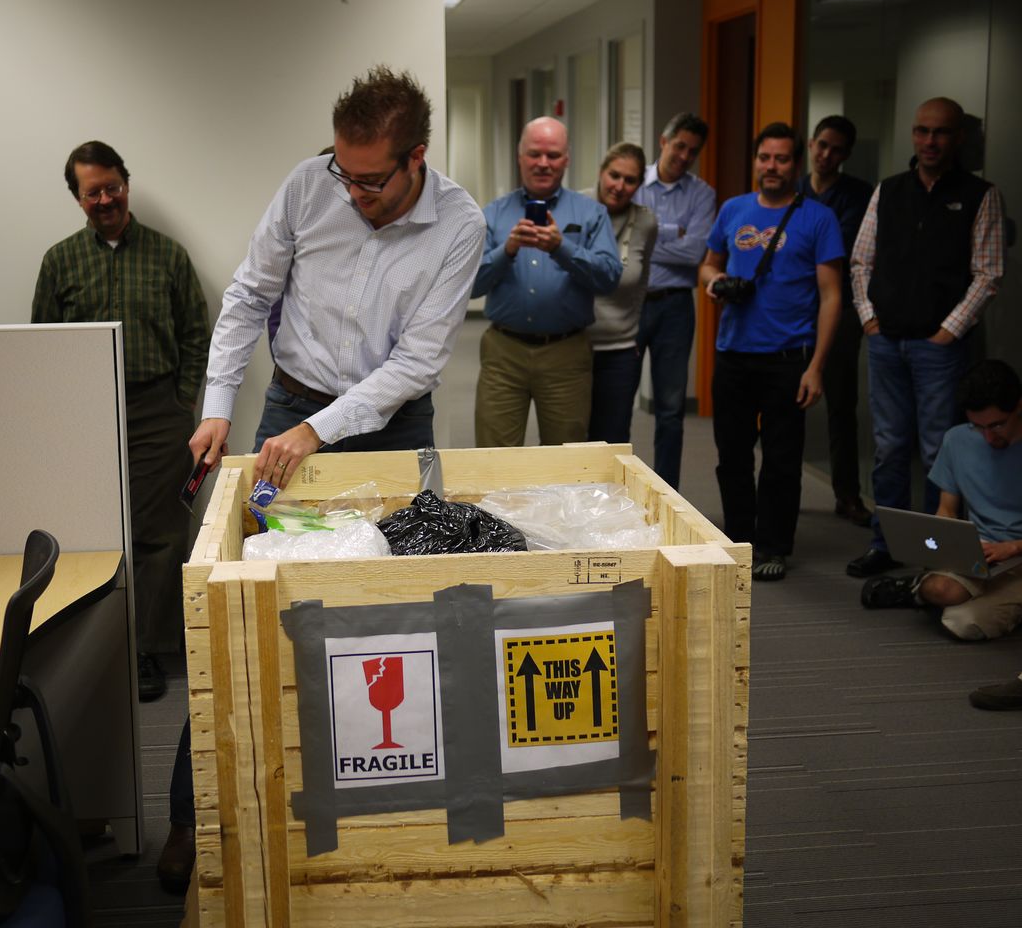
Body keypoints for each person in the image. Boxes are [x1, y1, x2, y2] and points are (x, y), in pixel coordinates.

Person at [189, 65, 486, 489]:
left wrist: (317, 431)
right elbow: (251, 295)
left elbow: (417, 361)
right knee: (268, 543)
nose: (352, 192)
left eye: (370, 180)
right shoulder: (307, 185)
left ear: (415, 158)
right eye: (343, 172)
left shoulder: (460, 225)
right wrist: (218, 404)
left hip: (396, 421)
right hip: (292, 406)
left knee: (403, 549)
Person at [32, 141, 209, 706]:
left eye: (113, 187)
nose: (105, 199)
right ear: (77, 197)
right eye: (93, 192)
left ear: (126, 184)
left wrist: (183, 405)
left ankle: (150, 651)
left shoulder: (168, 255)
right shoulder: (60, 260)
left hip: (158, 411)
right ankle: (94, 648)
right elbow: (43, 342)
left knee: (159, 534)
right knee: (94, 532)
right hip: (87, 412)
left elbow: (195, 334)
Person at [847, 97, 1005, 578]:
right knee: (890, 447)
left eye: (939, 132)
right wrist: (870, 319)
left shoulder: (980, 194)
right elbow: (861, 261)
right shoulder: (889, 191)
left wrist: (946, 333)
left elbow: (988, 274)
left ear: (957, 138)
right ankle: (887, 544)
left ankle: (935, 555)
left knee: (938, 450)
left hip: (939, 348)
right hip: (886, 341)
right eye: (921, 131)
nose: (929, 141)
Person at [700, 123, 843, 582]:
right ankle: (740, 539)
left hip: (788, 360)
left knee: (782, 459)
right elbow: (708, 264)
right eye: (765, 158)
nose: (772, 167)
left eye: (781, 159)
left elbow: (832, 295)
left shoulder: (818, 218)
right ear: (756, 160)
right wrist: (714, 284)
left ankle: (775, 545)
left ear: (795, 165)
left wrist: (816, 367)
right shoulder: (733, 209)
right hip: (734, 355)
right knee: (732, 455)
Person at [862, 361, 1022, 656]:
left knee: (962, 623)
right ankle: (928, 589)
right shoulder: (957, 439)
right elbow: (946, 509)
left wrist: (1014, 548)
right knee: (941, 590)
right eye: (978, 426)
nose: (988, 436)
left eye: (997, 424)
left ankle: (1020, 602)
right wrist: (947, 543)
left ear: (1019, 406)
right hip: (977, 553)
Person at [471, 117, 621, 446]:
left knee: (565, 462)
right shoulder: (493, 214)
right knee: (494, 457)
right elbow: (469, 287)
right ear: (520, 156)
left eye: (552, 155)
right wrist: (507, 250)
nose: (543, 163)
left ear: (566, 159)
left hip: (565, 353)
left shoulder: (591, 213)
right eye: (534, 154)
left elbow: (610, 276)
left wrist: (561, 247)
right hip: (503, 353)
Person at [796, 115, 874, 527]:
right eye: (822, 145)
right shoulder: (792, 190)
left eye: (836, 149)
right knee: (784, 401)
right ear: (811, 144)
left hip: (838, 309)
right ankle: (784, 489)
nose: (827, 155)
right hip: (791, 308)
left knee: (842, 404)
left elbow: (840, 251)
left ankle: (847, 494)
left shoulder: (859, 195)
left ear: (846, 155)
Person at [633, 113, 716, 489]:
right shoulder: (634, 182)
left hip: (675, 308)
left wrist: (645, 237)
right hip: (629, 305)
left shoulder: (702, 194)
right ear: (663, 141)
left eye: (693, 151)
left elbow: (694, 252)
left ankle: (669, 494)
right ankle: (619, 491)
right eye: (679, 146)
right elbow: (620, 237)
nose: (684, 156)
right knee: (616, 404)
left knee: (670, 410)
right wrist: (670, 232)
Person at [579, 141, 658, 444]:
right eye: (614, 175)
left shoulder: (646, 221)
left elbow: (641, 283)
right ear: (601, 172)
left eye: (630, 180)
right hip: (573, 347)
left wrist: (633, 331)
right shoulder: (576, 207)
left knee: (611, 441)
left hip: (620, 352)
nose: (620, 186)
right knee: (572, 439)